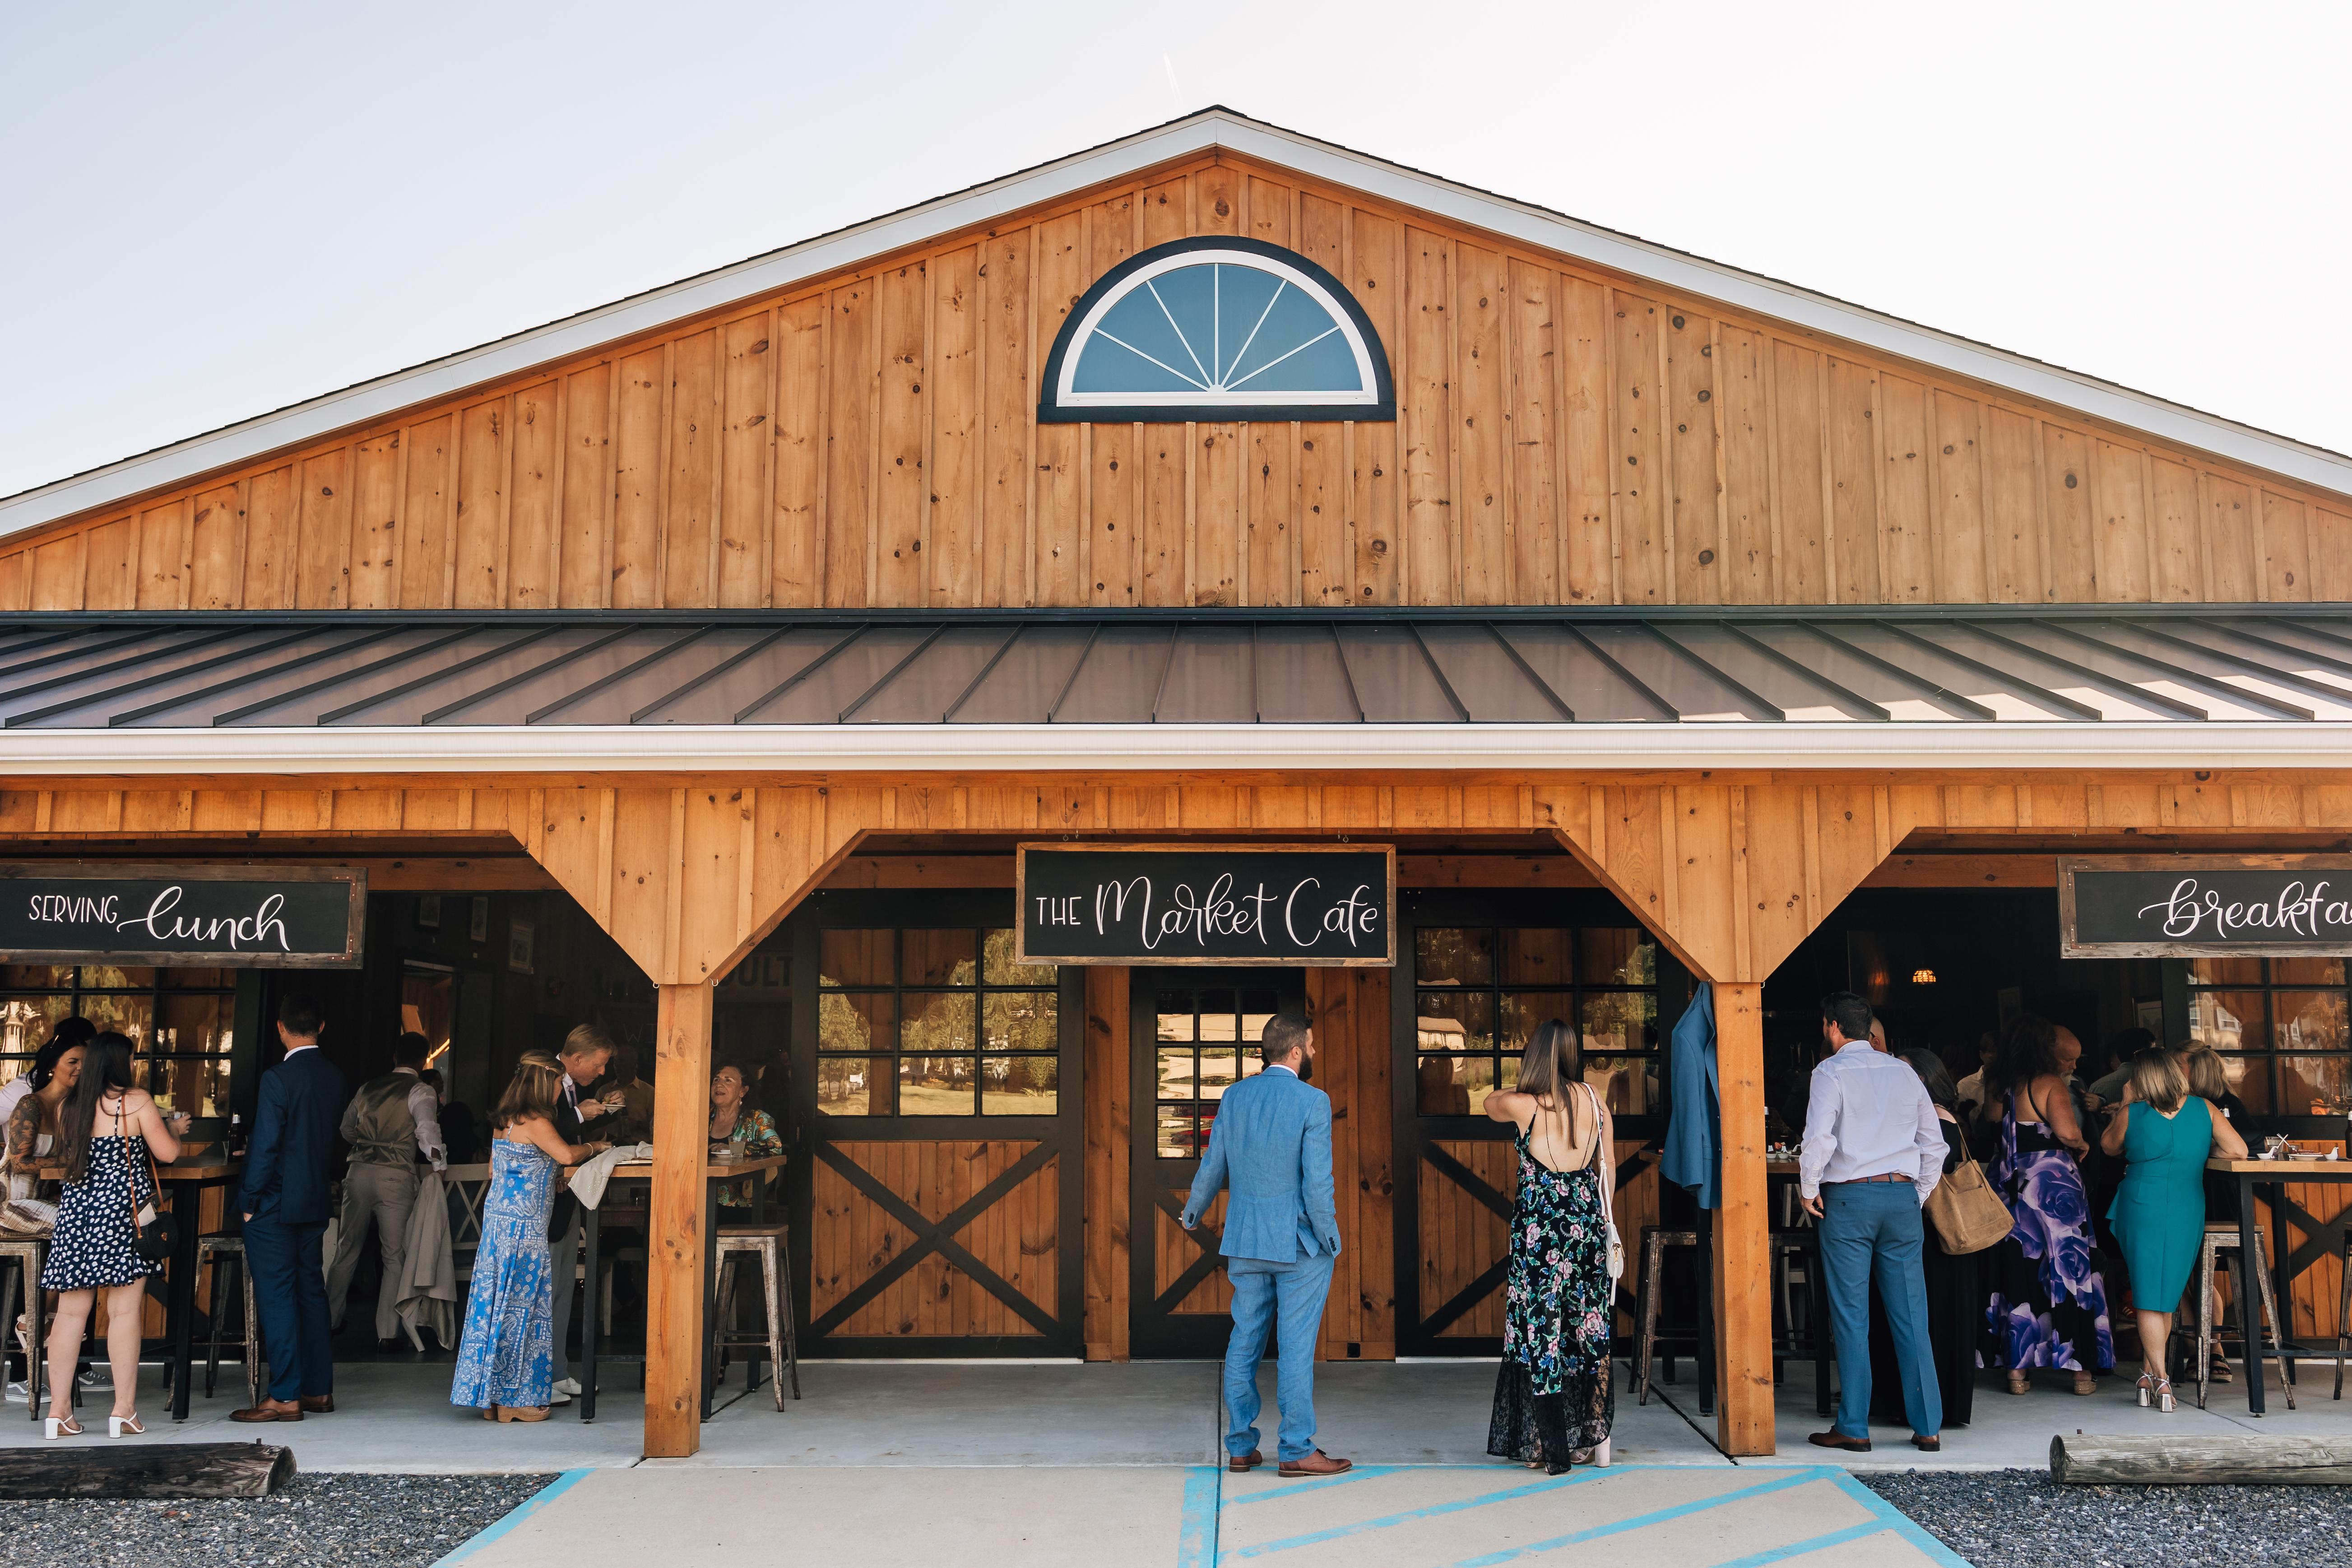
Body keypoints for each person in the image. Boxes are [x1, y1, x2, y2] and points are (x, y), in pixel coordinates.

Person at [1179, 1013, 1349, 1478]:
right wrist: (1330, 1236)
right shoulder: (1313, 1101)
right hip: (1298, 1245)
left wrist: (1193, 1209)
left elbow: (1214, 1163)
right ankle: (1295, 1450)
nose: (1313, 1051)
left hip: (1246, 1239)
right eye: (1310, 1045)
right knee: (1295, 1349)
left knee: (1245, 1340)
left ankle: (1240, 1447)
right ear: (1294, 1052)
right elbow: (1317, 1183)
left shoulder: (1235, 1096)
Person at [1801, 992, 1945, 1453]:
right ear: (1869, 1030)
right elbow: (1934, 1143)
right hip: (1901, 1197)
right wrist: (1916, 1194)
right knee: (1912, 1316)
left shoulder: (1829, 1072)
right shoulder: (1903, 1072)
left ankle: (1854, 1426)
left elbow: (1819, 1137)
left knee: (1851, 1316)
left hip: (1849, 1199)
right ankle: (1928, 1426)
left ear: (1832, 1027)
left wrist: (1807, 1187)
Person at [37, 1032, 190, 1438]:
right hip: (122, 1215)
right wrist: (174, 1129)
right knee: (123, 1313)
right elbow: (168, 1154)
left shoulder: (69, 1105)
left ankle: (58, 1412)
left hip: (76, 1214)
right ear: (123, 1062)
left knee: (70, 1315)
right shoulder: (134, 1101)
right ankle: (123, 1411)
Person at [1482, 1018, 1615, 1472]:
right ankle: (1589, 1436)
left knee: (1541, 1328)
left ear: (1535, 1056)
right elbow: (1608, 1168)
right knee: (1586, 1326)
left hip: (1541, 1233)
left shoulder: (1523, 1105)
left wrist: (1527, 1085)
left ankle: (1548, 1443)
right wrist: (1600, 1220)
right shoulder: (1596, 1101)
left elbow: (1489, 1102)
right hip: (1587, 1225)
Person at [450, 1052, 609, 1422]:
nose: (559, 1090)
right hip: (525, 1228)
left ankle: (493, 1397)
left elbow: (498, 1169)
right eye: (557, 1083)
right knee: (522, 1309)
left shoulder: (505, 1120)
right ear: (544, 1083)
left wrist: (545, 1175)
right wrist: (596, 1148)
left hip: (499, 1224)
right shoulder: (536, 1120)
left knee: (497, 1307)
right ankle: (514, 1399)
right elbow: (566, 1154)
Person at [2100, 1048, 2247, 1413]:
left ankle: (2160, 1379)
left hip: (2142, 1204)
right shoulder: (2205, 1109)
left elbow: (2108, 1147)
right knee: (2163, 1293)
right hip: (2186, 1204)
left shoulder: (2133, 1112)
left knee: (2151, 1293)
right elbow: (2238, 1151)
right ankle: (2148, 1374)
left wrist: (2125, 1104)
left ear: (2141, 1079)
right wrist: (2199, 1153)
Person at [1981, 1013, 2112, 1395]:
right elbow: (2067, 1132)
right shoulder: (2049, 1083)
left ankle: (2017, 1372)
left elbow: (1992, 1119)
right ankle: (2079, 1372)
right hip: (2052, 1182)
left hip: (2010, 1181)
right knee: (2067, 1271)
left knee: (2019, 1269)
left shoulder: (1999, 1082)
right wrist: (2082, 1145)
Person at [232, 993, 347, 1423]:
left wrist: (248, 1200)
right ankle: (318, 1390)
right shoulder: (335, 1076)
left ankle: (284, 1395)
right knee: (311, 1293)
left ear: (280, 1028)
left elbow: (266, 1146)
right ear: (322, 1027)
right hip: (313, 1198)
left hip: (274, 1203)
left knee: (277, 1295)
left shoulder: (277, 1078)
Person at [1867, 1049, 1980, 1429]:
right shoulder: (1931, 1116)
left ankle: (1927, 1405)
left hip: (1936, 1233)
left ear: (1923, 1080)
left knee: (1926, 1316)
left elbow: (1927, 1170)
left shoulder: (1934, 1118)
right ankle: (1917, 1403)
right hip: (1931, 1232)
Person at [327, 1031, 448, 1349]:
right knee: (394, 1255)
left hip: (358, 1172)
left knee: (347, 1249)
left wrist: (368, 1144)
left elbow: (346, 1128)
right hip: (395, 1176)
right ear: (423, 1062)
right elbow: (427, 1131)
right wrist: (439, 1166)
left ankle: (328, 1321)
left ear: (395, 1057)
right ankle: (388, 1333)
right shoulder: (420, 1090)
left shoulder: (368, 1088)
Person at [544, 1025, 617, 1404]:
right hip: (545, 1196)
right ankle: (541, 1376)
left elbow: (569, 1128)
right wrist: (580, 1117)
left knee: (562, 1288)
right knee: (546, 1289)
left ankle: (557, 1372)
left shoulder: (571, 1085)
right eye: (599, 1065)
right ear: (576, 1059)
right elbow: (539, 1126)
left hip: (567, 1192)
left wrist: (601, 1113)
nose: (602, 1072)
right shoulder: (546, 1077)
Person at [2183, 1047, 2251, 1383]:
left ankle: (2210, 1351)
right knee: (2190, 1276)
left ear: (2196, 1071)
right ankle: (2205, 1352)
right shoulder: (2187, 1106)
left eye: (2181, 1066)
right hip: (2195, 1194)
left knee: (2198, 1276)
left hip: (2212, 1197)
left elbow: (2245, 1145)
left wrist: (2207, 1148)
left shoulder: (2219, 1106)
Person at [5, 1030, 89, 1202]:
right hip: (12, 1200)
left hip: (43, 1200)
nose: (81, 1068)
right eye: (73, 1062)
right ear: (53, 1066)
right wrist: (76, 1162)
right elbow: (19, 1164)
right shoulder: (31, 1104)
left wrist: (53, 1194)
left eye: (86, 1063)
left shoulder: (75, 1108)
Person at [710, 1062, 782, 1209]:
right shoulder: (699, 1117)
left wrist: (737, 1149)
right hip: (697, 1201)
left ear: (743, 1091)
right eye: (716, 1079)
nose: (719, 1085)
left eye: (728, 1080)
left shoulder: (757, 1120)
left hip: (739, 1207)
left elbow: (776, 1146)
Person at [2083, 1028, 2158, 1114]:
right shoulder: (2158, 1083)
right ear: (2143, 1054)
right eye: (2154, 1052)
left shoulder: (2097, 1086)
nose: (2156, 1056)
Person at [594, 1045, 656, 1147]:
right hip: (610, 1148)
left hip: (640, 1148)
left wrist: (637, 1124)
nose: (617, 1065)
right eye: (615, 1062)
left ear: (634, 1064)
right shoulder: (603, 1091)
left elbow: (658, 1126)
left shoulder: (649, 1092)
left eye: (622, 1061)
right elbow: (594, 1125)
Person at [420, 1069, 480, 1164]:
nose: (442, 1082)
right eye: (437, 1079)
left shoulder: (441, 1107)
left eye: (441, 1079)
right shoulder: (423, 1106)